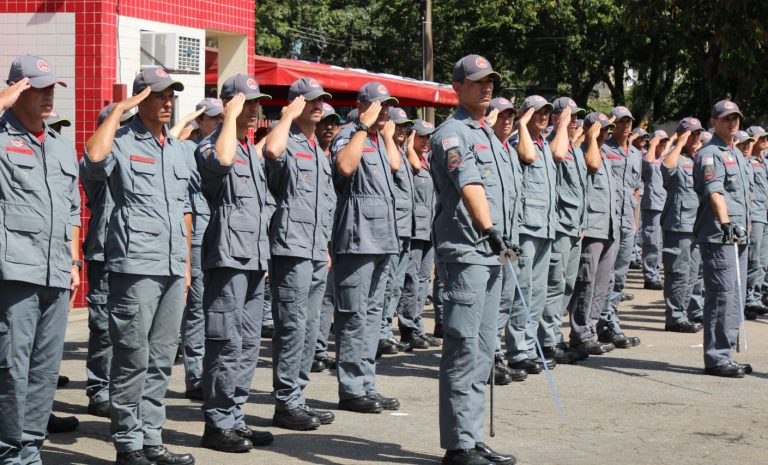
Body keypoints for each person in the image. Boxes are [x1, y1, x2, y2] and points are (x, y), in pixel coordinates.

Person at [82, 67, 194, 465]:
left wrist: (186, 267)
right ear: (140, 98)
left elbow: (185, 208)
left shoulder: (181, 149)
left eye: (170, 96)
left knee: (162, 359)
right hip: (134, 265)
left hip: (170, 266)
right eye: (159, 95)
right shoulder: (122, 142)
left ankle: (152, 439)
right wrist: (118, 111)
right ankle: (127, 443)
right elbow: (92, 161)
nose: (167, 102)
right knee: (132, 357)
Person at [430, 54, 516, 465]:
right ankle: (458, 446)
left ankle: (472, 435)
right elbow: (469, 184)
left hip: (491, 255)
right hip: (467, 252)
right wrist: (490, 229)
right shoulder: (452, 134)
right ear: (457, 87)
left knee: (484, 349)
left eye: (491, 82)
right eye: (478, 81)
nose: (487, 87)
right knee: (464, 349)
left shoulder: (488, 134)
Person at [0, 56, 80, 464]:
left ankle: (30, 449)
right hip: (14, 269)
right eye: (38, 87)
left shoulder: (60, 145)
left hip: (55, 270)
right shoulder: (1, 136)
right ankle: (9, 453)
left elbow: (71, 208)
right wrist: (3, 100)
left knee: (45, 370)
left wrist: (75, 262)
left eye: (52, 88)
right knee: (11, 369)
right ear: (16, 90)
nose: (49, 95)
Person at [195, 74, 275, 452]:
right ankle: (217, 422)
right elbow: (221, 161)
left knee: (246, 344)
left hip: (253, 257)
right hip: (227, 256)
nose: (256, 109)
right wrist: (229, 117)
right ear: (231, 104)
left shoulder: (249, 149)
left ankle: (235, 416)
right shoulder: (215, 144)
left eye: (258, 103)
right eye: (249, 102)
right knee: (225, 341)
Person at [262, 77, 337, 430]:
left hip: (314, 250)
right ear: (295, 104)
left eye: (321, 99)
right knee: (291, 327)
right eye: (311, 100)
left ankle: (298, 398)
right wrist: (286, 117)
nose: (319, 105)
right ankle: (286, 402)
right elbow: (271, 152)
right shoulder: (288, 141)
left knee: (309, 330)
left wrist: (324, 248)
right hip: (290, 248)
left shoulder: (316, 149)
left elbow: (322, 205)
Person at [330, 82, 401, 414]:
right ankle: (352, 388)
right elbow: (344, 167)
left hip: (382, 239)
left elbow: (397, 166)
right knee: (354, 317)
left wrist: (385, 134)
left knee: (373, 318)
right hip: (358, 240)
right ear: (361, 106)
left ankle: (367, 383)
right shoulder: (350, 134)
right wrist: (361, 125)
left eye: (388, 106)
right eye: (379, 105)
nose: (385, 111)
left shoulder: (376, 139)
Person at [80, 104, 135, 421]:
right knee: (102, 326)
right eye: (121, 125)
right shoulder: (96, 159)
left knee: (129, 327)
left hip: (131, 250)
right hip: (103, 249)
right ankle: (100, 389)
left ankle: (121, 390)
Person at [693, 100, 752, 378]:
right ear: (713, 122)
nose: (732, 123)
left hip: (739, 236)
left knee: (735, 295)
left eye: (736, 118)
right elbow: (715, 192)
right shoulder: (709, 154)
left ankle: (726, 351)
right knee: (721, 296)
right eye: (726, 118)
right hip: (719, 235)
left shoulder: (737, 154)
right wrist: (726, 223)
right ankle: (717, 357)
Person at [506, 94, 564, 373]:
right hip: (526, 227)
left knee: (539, 292)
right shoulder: (521, 142)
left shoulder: (544, 145)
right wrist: (522, 124)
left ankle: (530, 347)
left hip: (546, 226)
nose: (543, 117)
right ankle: (517, 351)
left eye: (547, 113)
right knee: (523, 290)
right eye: (537, 112)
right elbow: (526, 157)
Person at [180, 98, 222, 401]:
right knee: (196, 309)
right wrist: (188, 122)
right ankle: (196, 376)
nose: (220, 122)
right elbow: (170, 139)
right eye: (213, 118)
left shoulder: (228, 145)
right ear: (200, 121)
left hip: (221, 234)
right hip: (197, 235)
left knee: (217, 309)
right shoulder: (188, 148)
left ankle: (214, 374)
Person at [539, 97, 587, 365]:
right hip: (557, 226)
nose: (575, 121)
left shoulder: (575, 148)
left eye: (577, 117)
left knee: (567, 285)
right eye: (569, 116)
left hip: (573, 226)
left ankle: (555, 334)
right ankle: (547, 340)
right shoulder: (553, 143)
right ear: (556, 118)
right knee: (554, 284)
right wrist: (562, 126)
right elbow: (556, 156)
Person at [567, 113, 618, 357]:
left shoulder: (603, 153)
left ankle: (590, 330)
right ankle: (579, 335)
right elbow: (592, 165)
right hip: (591, 227)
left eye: (608, 129)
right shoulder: (585, 151)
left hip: (608, 226)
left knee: (602, 284)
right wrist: (591, 137)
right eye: (602, 129)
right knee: (585, 283)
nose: (606, 133)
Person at [486, 97, 526, 386]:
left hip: (510, 238)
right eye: (501, 115)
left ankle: (495, 354)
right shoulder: (483, 148)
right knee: (489, 302)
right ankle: (488, 357)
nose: (508, 120)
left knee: (505, 300)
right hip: (490, 239)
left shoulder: (510, 151)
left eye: (511, 115)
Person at [598, 106, 642, 349]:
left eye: (629, 121)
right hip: (609, 220)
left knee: (621, 275)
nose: (625, 126)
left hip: (627, 221)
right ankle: (603, 322)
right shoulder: (605, 148)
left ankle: (611, 319)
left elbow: (637, 189)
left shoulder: (635, 154)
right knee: (608, 275)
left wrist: (635, 222)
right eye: (621, 121)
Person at [395, 119, 442, 350]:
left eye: (428, 137)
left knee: (424, 281)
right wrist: (410, 142)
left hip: (428, 228)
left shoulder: (428, 160)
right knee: (411, 280)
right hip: (414, 229)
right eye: (421, 136)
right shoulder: (409, 158)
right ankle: (408, 329)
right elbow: (413, 166)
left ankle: (417, 326)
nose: (426, 141)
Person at [660, 117, 704, 333]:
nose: (696, 138)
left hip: (698, 225)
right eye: (692, 134)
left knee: (694, 273)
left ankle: (685, 312)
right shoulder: (676, 157)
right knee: (678, 273)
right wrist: (679, 142)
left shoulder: (700, 158)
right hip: (679, 224)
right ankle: (674, 317)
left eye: (698, 133)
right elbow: (666, 170)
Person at [380, 107, 417, 354]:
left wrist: (408, 143)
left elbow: (416, 167)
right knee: (387, 284)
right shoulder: (387, 150)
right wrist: (388, 136)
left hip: (405, 229)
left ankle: (385, 330)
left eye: (406, 126)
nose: (403, 130)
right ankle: (381, 332)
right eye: (399, 125)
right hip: (392, 228)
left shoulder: (402, 152)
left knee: (396, 284)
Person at [313, 103, 341, 373]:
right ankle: (312, 351)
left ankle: (318, 349)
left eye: (333, 122)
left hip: (332, 234)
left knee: (328, 298)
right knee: (317, 300)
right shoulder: (307, 154)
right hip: (312, 238)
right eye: (324, 122)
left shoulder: (335, 157)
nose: (329, 127)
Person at [640, 130, 670, 290]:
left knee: (662, 243)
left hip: (666, 205)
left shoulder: (666, 158)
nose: (663, 144)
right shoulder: (646, 156)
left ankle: (657, 273)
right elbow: (647, 165)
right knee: (652, 242)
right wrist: (653, 144)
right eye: (660, 141)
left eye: (665, 141)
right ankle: (650, 276)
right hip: (653, 205)